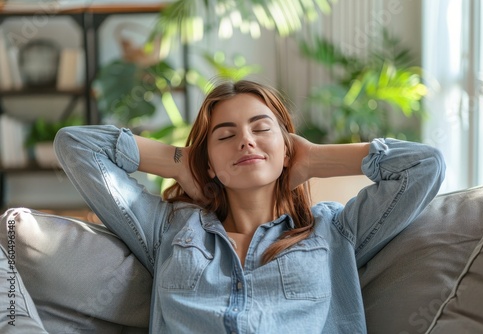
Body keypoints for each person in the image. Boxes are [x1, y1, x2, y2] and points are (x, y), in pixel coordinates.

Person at [53, 79, 445, 333]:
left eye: (261, 128)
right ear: (208, 160)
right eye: (225, 135)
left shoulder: (335, 231)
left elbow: (424, 166)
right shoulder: (170, 229)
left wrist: (315, 159)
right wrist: (181, 162)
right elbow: (76, 145)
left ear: (287, 146)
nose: (246, 141)